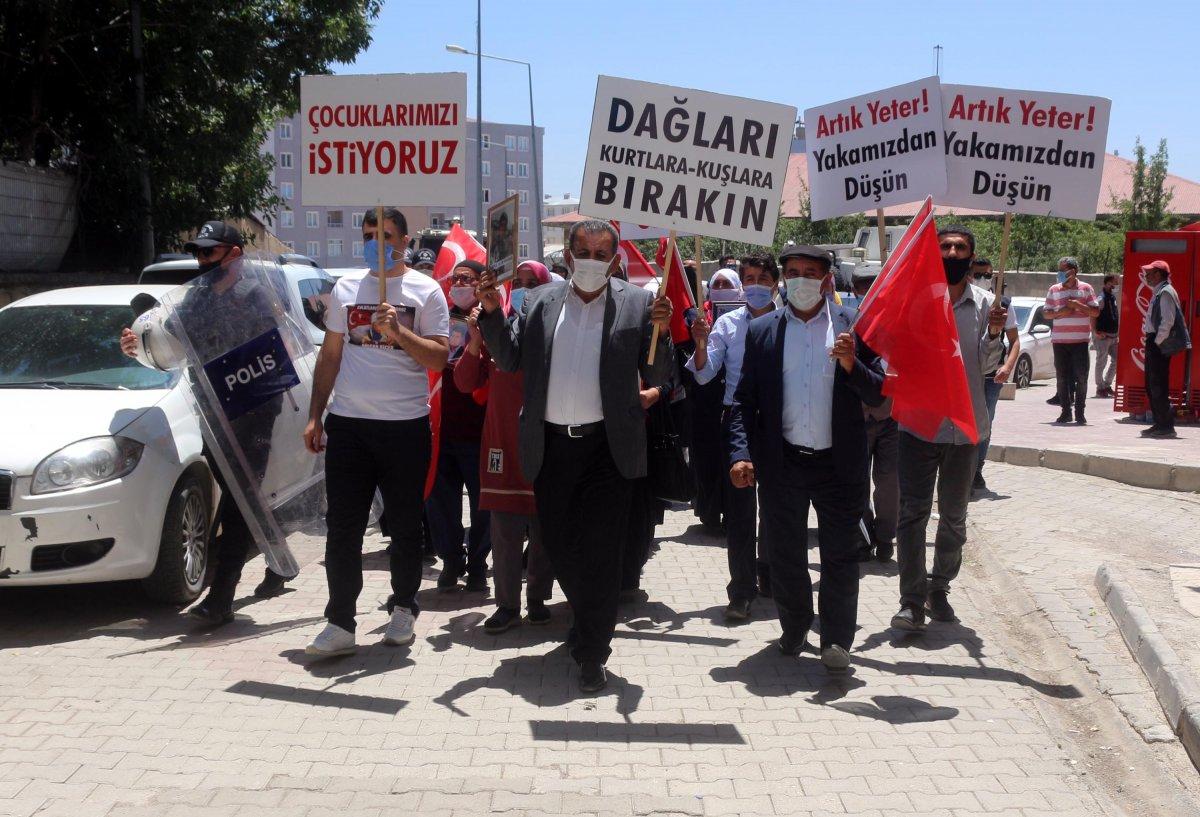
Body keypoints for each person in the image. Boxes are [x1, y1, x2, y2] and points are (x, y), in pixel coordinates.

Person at [476, 218, 673, 693]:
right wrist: (490, 312)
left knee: (603, 552)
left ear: (614, 260)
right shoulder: (540, 302)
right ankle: (587, 621)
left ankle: (592, 651)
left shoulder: (638, 304)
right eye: (582, 252)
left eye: (601, 253)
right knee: (560, 549)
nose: (591, 261)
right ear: (567, 257)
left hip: (609, 449)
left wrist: (662, 334)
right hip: (552, 447)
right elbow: (510, 358)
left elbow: (658, 371)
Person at [120, 221, 291, 623]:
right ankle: (278, 557)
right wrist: (137, 346)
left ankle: (222, 597)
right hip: (212, 409)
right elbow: (169, 346)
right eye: (197, 252)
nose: (201, 260)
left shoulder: (256, 294)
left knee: (240, 498)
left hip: (253, 408)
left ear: (234, 254)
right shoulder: (195, 296)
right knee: (243, 497)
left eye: (209, 252)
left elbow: (271, 349)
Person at [727, 245, 884, 671]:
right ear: (782, 279)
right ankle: (795, 625)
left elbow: (878, 391)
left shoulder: (853, 326)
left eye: (809, 272)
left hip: (840, 464)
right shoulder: (763, 333)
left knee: (839, 555)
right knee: (785, 554)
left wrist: (853, 365)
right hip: (784, 463)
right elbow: (743, 401)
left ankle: (835, 639)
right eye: (792, 272)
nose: (800, 280)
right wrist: (740, 453)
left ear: (827, 280)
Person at [303, 208, 450, 656]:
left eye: (385, 235)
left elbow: (439, 358)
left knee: (405, 526)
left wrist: (399, 332)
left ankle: (403, 607)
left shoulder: (426, 291)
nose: (376, 242)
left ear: (404, 241)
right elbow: (330, 356)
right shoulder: (346, 288)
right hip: (349, 426)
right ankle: (340, 623)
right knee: (342, 528)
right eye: (369, 234)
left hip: (404, 427)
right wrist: (315, 414)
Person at [890, 226, 1007, 633]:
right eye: (946, 247)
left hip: (964, 428)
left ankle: (939, 587)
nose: (953, 253)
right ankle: (910, 600)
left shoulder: (988, 306)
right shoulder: (917, 300)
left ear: (972, 257)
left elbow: (989, 368)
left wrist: (994, 333)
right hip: (919, 425)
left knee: (954, 517)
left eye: (960, 248)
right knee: (912, 514)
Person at [456, 261, 556, 632]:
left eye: (534, 283)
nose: (526, 289)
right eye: (520, 282)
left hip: (545, 439)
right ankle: (507, 605)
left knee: (544, 526)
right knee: (504, 529)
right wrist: (477, 340)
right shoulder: (493, 325)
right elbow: (465, 383)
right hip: (500, 444)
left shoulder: (554, 331)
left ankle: (537, 599)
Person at [687, 255, 779, 620]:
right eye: (749, 278)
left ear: (774, 282)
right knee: (741, 512)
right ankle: (741, 590)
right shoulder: (726, 324)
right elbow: (704, 375)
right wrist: (700, 342)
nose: (755, 284)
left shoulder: (790, 320)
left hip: (778, 425)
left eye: (762, 278)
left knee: (776, 508)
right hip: (738, 423)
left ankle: (770, 574)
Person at [426, 259, 492, 593]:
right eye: (456, 278)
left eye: (467, 279)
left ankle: (478, 565)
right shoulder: (441, 318)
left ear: (482, 283)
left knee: (484, 504)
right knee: (439, 503)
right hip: (442, 427)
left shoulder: (494, 318)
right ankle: (452, 559)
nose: (459, 284)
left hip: (479, 430)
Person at [848, 269, 899, 563]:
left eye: (873, 286)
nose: (867, 292)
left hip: (892, 415)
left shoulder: (896, 324)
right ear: (854, 289)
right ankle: (863, 534)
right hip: (858, 416)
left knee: (889, 480)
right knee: (857, 482)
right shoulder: (847, 324)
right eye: (862, 287)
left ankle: (885, 536)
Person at [970, 258, 1020, 495]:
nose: (982, 279)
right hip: (968, 372)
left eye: (987, 275)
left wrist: (1007, 367)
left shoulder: (1001, 304)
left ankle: (976, 471)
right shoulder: (964, 299)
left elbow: (1014, 340)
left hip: (991, 376)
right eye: (978, 274)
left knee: (985, 425)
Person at [1043, 257, 1099, 425]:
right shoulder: (1054, 289)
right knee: (1062, 378)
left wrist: (1077, 306)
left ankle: (1080, 412)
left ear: (1072, 271)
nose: (1059, 273)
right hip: (1059, 341)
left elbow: (1095, 312)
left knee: (1081, 377)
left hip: (1080, 341)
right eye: (1059, 269)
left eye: (1063, 270)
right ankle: (1065, 412)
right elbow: (1046, 313)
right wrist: (1062, 312)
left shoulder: (1086, 288)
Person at [1140, 260, 1190, 439]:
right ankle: (1160, 423)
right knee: (1152, 384)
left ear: (1159, 275)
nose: (1147, 277)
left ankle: (1166, 425)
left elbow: (1167, 321)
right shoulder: (1159, 290)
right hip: (1154, 341)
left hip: (1158, 342)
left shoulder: (1166, 292)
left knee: (1158, 384)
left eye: (1151, 273)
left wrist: (1157, 342)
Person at [1094, 274, 1120, 398]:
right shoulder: (1101, 298)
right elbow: (1093, 315)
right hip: (1103, 337)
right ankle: (1100, 388)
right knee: (1101, 362)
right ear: (1108, 283)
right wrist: (1095, 331)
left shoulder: (1112, 297)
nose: (1117, 285)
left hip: (1113, 336)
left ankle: (1107, 384)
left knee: (1117, 359)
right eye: (1115, 283)